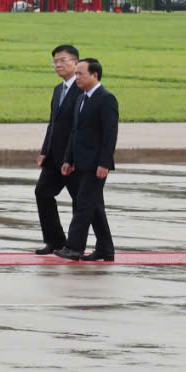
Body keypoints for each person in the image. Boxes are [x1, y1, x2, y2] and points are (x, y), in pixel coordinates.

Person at [58, 58, 117, 261]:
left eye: (81, 74)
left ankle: (74, 248)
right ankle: (106, 249)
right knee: (94, 208)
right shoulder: (81, 99)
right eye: (76, 74)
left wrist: (104, 163)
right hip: (81, 162)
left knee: (83, 205)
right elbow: (75, 133)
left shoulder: (106, 98)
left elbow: (110, 135)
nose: (77, 78)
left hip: (96, 165)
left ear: (95, 75)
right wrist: (68, 159)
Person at [34, 44, 82, 256]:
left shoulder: (83, 89)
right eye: (55, 61)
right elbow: (52, 124)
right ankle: (54, 241)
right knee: (42, 193)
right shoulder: (58, 89)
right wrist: (45, 150)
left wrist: (72, 158)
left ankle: (74, 245)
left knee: (80, 201)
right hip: (54, 156)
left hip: (72, 158)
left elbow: (78, 128)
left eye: (63, 60)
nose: (58, 65)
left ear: (76, 63)